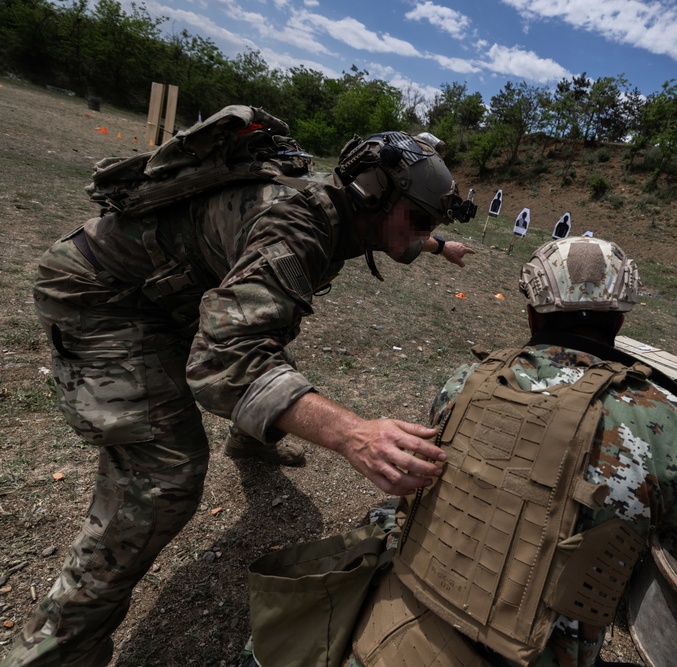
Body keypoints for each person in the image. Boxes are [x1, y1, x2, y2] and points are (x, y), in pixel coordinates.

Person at [2, 125, 475, 667]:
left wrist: (438, 244)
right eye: (420, 218)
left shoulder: (347, 208)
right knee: (163, 479)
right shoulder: (297, 227)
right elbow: (223, 359)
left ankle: (251, 441)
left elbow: (399, 239)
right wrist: (353, 433)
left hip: (164, 294)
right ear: (374, 194)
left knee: (269, 333)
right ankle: (51, 650)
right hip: (102, 297)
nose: (424, 231)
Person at [345, 236, 677, 667]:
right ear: (620, 321)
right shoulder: (674, 430)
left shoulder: (464, 383)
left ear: (531, 314)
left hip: (399, 631)